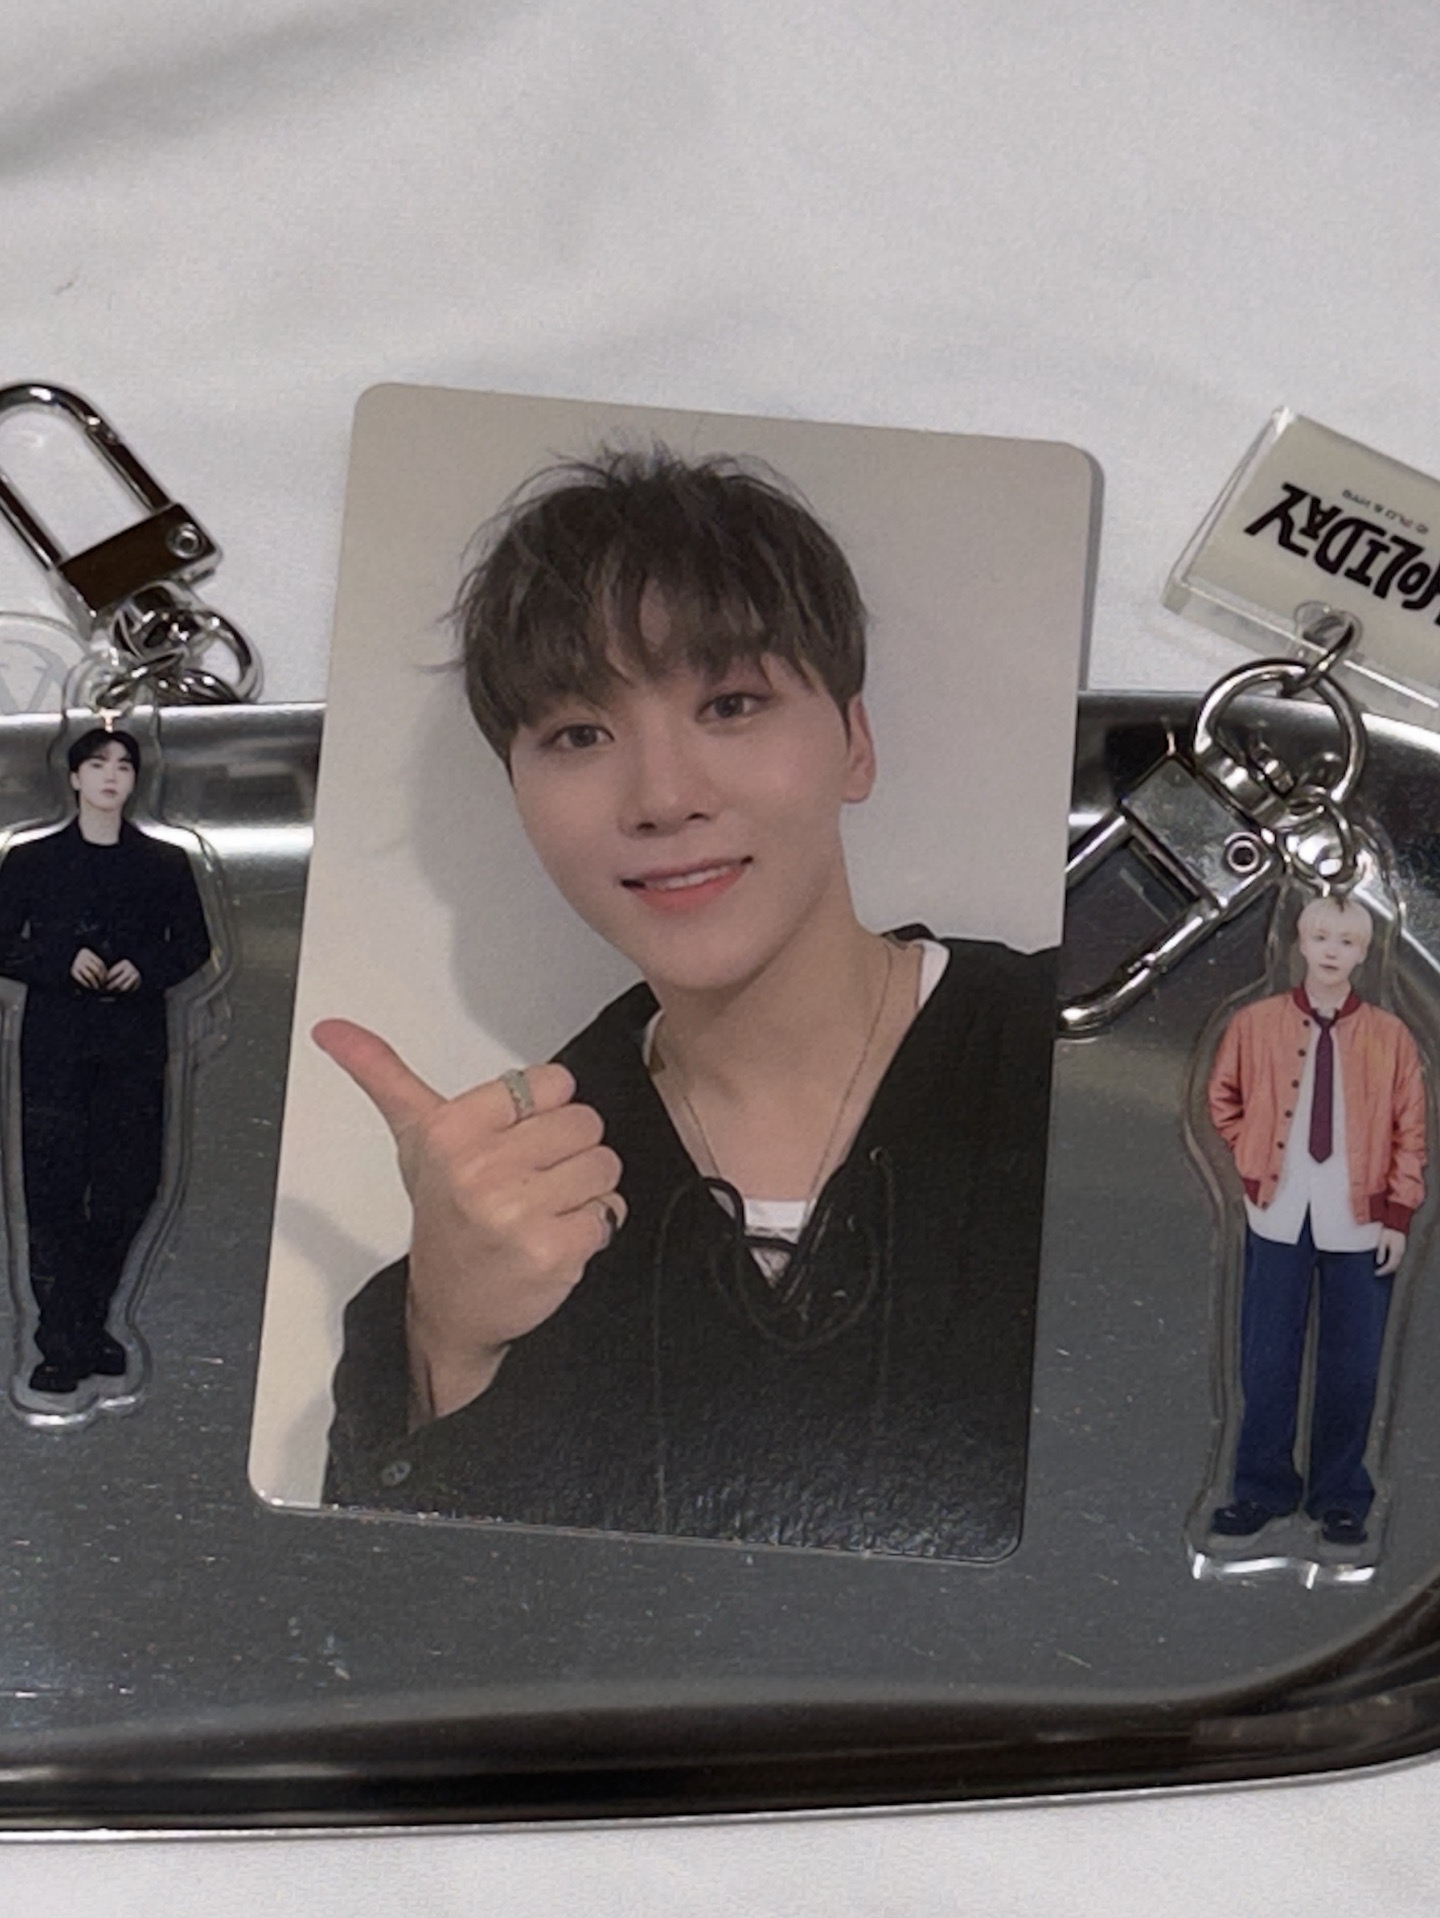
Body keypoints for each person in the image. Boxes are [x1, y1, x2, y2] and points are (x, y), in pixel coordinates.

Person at [320, 447, 1060, 1560]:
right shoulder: (500, 1222)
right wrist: (447, 1346)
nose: (664, 797)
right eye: (578, 735)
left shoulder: (1076, 1054)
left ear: (855, 745)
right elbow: (389, 1631)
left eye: (731, 703)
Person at [1206, 893, 1426, 1549]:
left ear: (1365, 953)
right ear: (1299, 942)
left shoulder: (1390, 1036)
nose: (1332, 951)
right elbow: (1223, 1097)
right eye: (1321, 937)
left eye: (1347, 941)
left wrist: (1397, 1214)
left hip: (1360, 1223)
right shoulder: (1255, 1023)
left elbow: (1410, 1131)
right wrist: (1252, 1160)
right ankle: (1260, 1488)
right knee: (1267, 1359)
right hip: (1277, 1214)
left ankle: (1340, 1497)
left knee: (1352, 1367)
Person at [0, 729, 212, 1395]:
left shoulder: (164, 862)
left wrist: (145, 967)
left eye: (123, 765)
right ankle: (63, 1344)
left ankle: (84, 1324)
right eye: (96, 764)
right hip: (55, 1048)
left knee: (130, 1188)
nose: (111, 776)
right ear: (73, 778)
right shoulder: (32, 860)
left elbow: (194, 946)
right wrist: (57, 961)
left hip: (134, 1046)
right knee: (54, 1193)